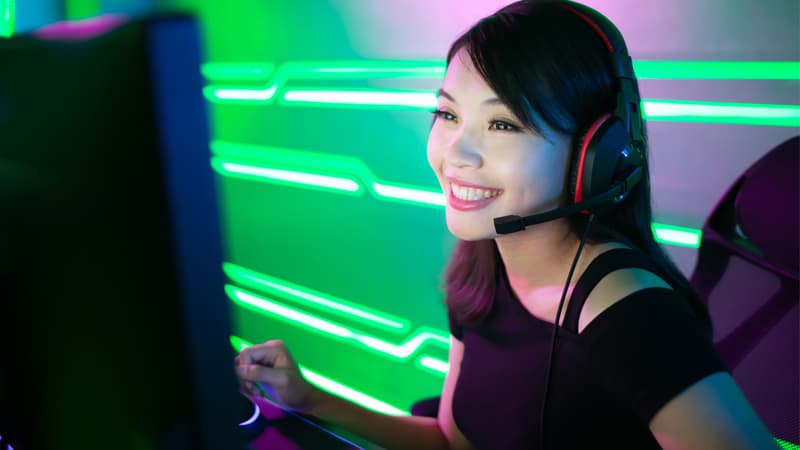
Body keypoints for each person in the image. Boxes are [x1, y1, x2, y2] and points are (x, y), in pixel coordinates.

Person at [235, 1, 779, 449]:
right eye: (448, 115)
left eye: (502, 123)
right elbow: (455, 441)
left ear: (593, 154)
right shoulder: (485, 261)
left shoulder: (628, 314)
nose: (456, 154)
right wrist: (308, 400)